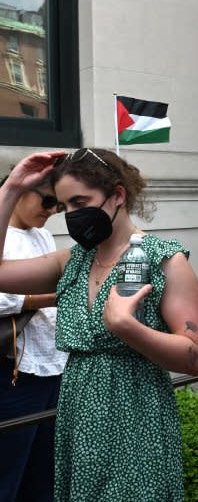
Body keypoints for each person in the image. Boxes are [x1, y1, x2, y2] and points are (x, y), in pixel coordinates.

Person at [0, 148, 198, 501]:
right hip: (78, 425)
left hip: (137, 425)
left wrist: (131, 329)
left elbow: (194, 356)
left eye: (81, 202)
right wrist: (11, 189)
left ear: (117, 195)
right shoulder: (71, 262)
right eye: (65, 207)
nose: (72, 216)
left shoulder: (165, 260)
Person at [0, 178, 66, 501]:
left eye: (60, 205)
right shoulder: (3, 236)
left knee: (45, 473)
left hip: (53, 366)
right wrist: (40, 299)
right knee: (8, 471)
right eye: (49, 201)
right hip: (14, 371)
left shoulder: (42, 235)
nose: (53, 211)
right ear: (23, 190)